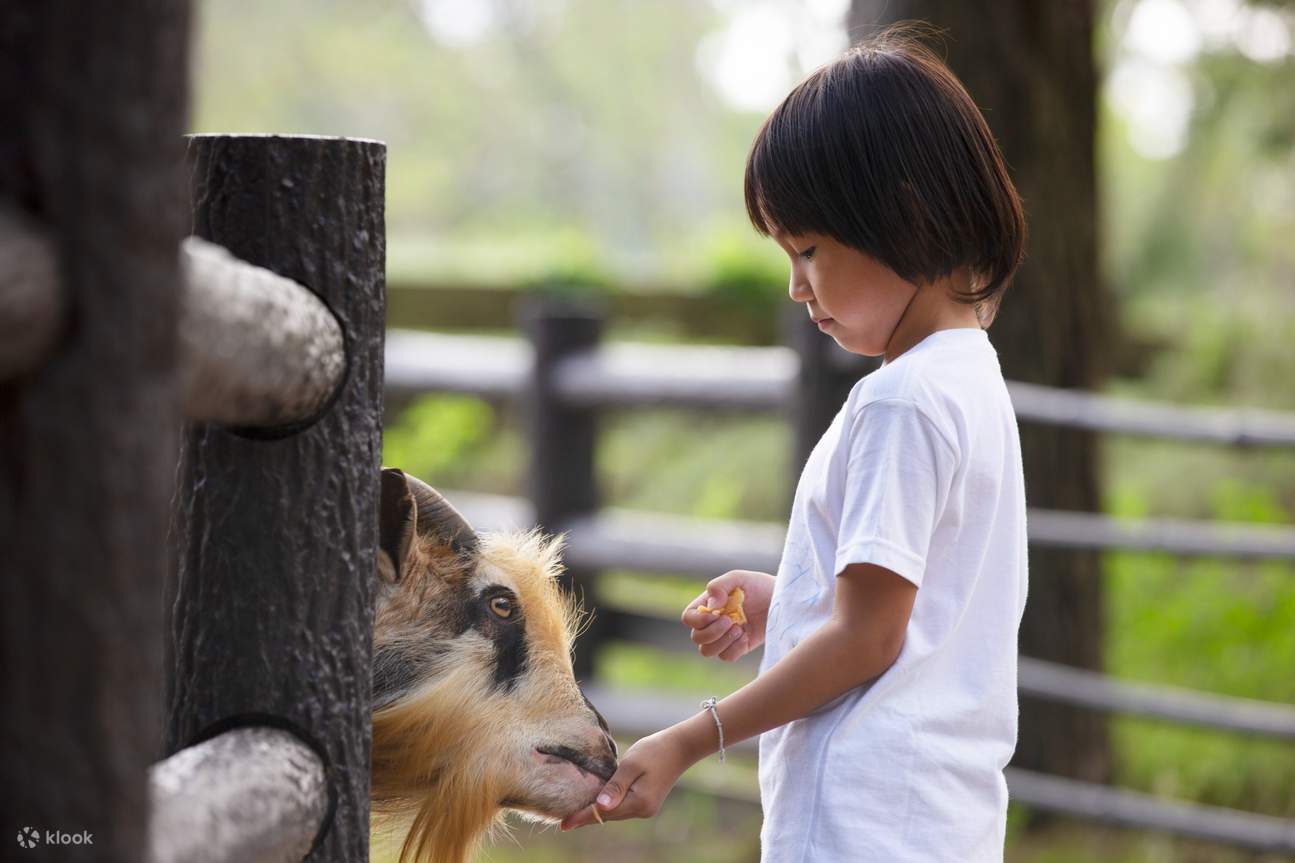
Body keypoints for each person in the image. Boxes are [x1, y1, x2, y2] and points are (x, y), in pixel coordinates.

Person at [560, 23, 1029, 862]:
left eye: (808, 248)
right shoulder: (968, 379)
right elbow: (907, 612)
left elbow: (866, 640)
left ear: (904, 215)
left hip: (861, 821)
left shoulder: (900, 402)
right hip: (936, 821)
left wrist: (689, 737)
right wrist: (790, 601)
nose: (794, 284)